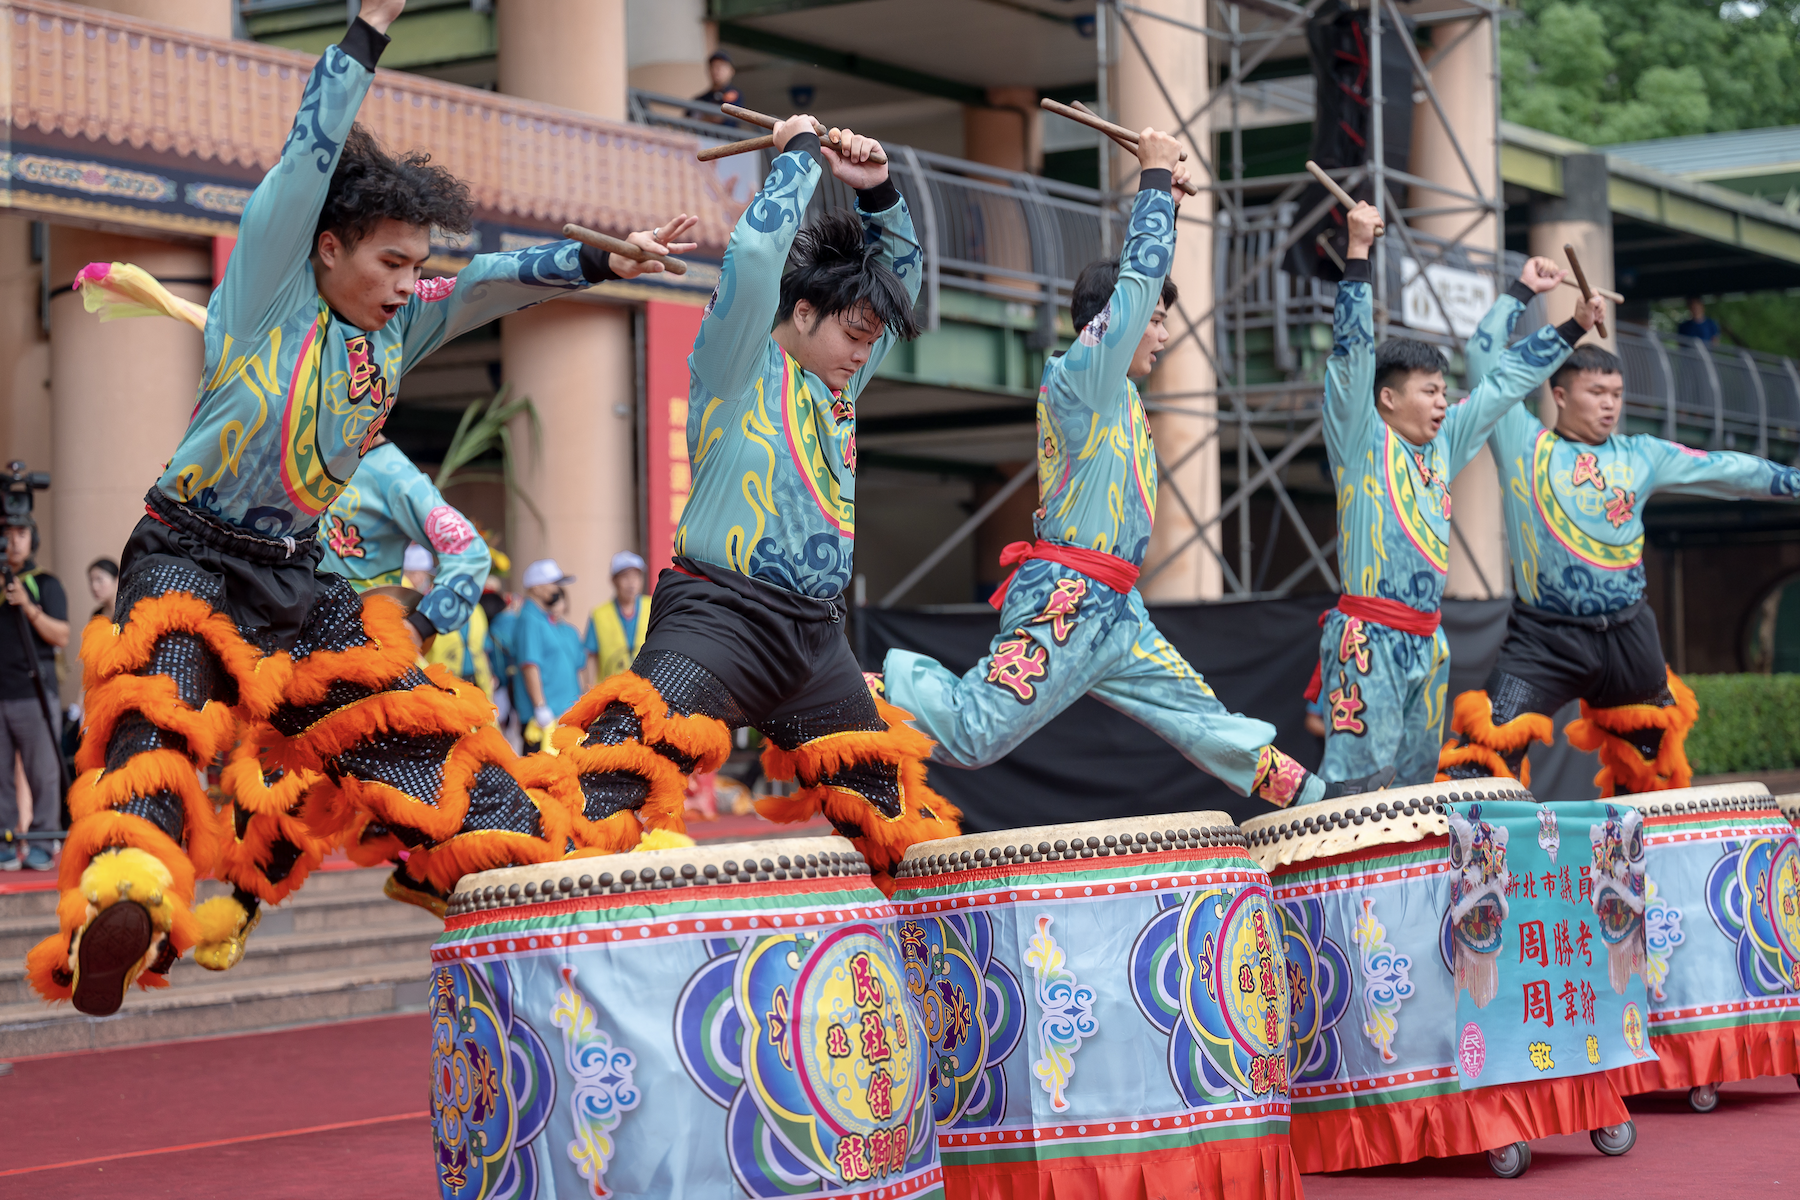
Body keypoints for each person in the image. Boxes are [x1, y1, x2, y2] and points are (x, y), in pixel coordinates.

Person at [27, 0, 699, 1018]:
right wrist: (364, 35)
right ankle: (127, 902)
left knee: (420, 728)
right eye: (390, 261)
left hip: (298, 579)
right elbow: (308, 154)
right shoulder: (268, 288)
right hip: (187, 555)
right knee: (155, 722)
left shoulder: (402, 324)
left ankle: (515, 870)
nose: (406, 283)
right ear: (329, 246)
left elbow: (493, 282)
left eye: (415, 264)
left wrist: (606, 259)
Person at [881, 131, 1381, 810]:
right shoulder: (1079, 378)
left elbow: (1141, 288)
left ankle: (1317, 797)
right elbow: (1137, 287)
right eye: (1157, 320)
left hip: (1114, 606)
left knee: (1202, 723)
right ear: (1116, 320)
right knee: (972, 737)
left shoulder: (1120, 399)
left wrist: (1165, 201)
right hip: (1067, 596)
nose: (1165, 334)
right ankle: (866, 688)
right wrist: (1150, 185)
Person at [550, 113, 961, 888]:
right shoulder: (737, 361)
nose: (862, 353)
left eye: (872, 341)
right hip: (719, 620)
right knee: (611, 782)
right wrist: (797, 157)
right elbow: (753, 253)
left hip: (817, 646)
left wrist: (878, 195)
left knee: (894, 820)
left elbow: (898, 282)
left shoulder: (837, 384)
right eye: (853, 334)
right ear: (801, 314)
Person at [1438, 311, 1800, 794]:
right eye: (1596, 393)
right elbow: (1485, 359)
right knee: (1484, 753)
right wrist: (1522, 293)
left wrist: (1793, 482)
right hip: (1545, 638)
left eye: (1616, 394)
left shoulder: (1641, 454)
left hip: (1630, 633)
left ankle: (1648, 864)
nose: (1610, 406)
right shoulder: (1522, 441)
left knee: (1651, 768)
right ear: (1560, 395)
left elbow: (1727, 470)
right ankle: (1470, 862)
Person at [1317, 203, 1601, 787]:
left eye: (1444, 390)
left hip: (1428, 639)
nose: (1443, 401)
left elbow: (1500, 384)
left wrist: (1568, 326)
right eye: (1429, 390)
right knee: (1357, 786)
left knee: (1419, 785)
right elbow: (1352, 355)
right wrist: (1358, 253)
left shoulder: (1443, 444)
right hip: (1369, 638)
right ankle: (1334, 882)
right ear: (1388, 399)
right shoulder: (1360, 437)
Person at [317, 432, 490, 648]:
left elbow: (469, 552)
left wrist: (421, 625)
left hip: (362, 647)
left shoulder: (394, 474)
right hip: (293, 641)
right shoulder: (307, 452)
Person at [0, 517, 67, 872]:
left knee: (42, 771)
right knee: (0, 775)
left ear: (32, 538)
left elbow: (62, 636)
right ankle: (5, 840)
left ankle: (42, 841)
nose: (13, 542)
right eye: (7, 534)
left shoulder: (45, 583)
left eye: (21, 534)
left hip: (34, 693)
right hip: (2, 695)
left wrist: (27, 605)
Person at [514, 558, 587, 752]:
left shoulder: (544, 619)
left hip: (560, 715)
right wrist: (540, 707)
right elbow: (530, 665)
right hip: (543, 720)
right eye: (553, 584)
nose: (557, 590)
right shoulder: (530, 619)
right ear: (536, 588)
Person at [585, 550, 650, 683]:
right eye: (625, 577)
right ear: (613, 580)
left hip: (648, 688)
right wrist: (588, 689)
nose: (631, 583)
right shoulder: (599, 614)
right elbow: (591, 656)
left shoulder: (653, 606)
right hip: (611, 691)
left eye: (636, 576)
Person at [694, 49, 742, 113]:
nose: (718, 70)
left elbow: (724, 118)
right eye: (714, 66)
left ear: (731, 71)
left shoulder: (735, 95)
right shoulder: (700, 99)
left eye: (722, 66)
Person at [87, 558, 119, 623]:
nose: (94, 587)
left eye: (99, 580)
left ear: (117, 580)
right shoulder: (97, 615)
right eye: (91, 581)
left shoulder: (129, 613)